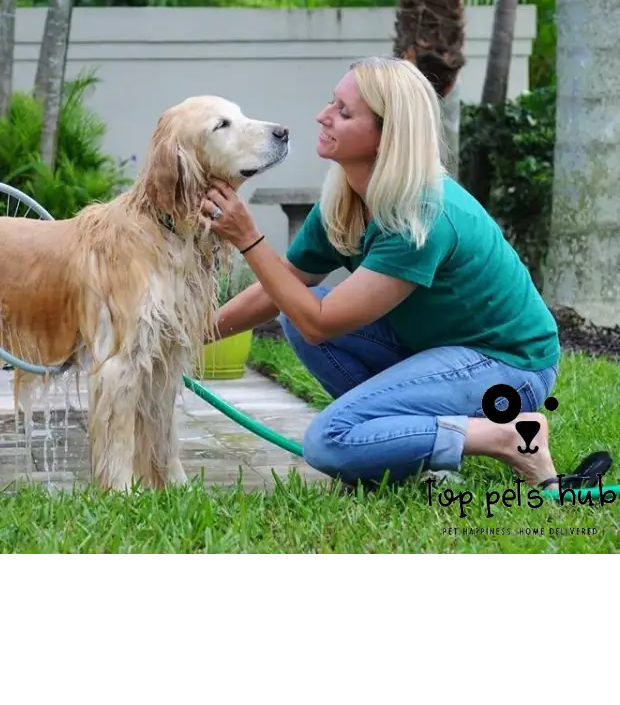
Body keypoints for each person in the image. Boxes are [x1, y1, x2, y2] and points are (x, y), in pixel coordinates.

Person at [201, 55, 604, 492]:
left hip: (507, 368)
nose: (323, 116)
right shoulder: (347, 200)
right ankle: (415, 447)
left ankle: (504, 435)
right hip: (434, 350)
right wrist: (189, 335)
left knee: (329, 441)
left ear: (385, 135)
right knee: (292, 311)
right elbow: (283, 288)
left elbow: (320, 325)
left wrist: (249, 238)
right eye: (330, 102)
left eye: (343, 112)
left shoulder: (420, 216)